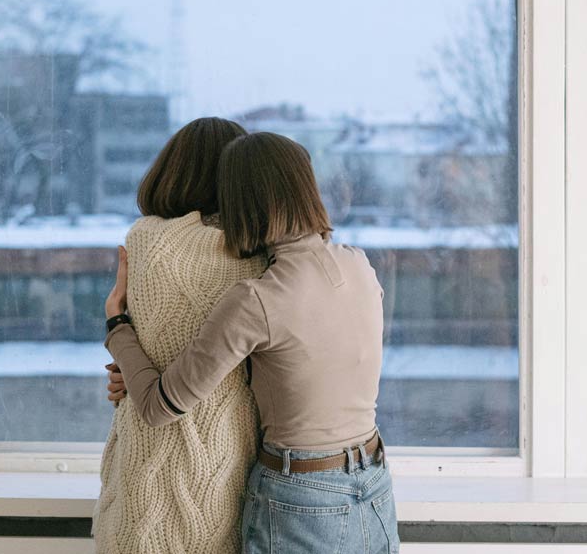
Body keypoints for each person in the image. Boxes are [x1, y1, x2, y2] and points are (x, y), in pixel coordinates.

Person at [104, 131, 399, 553]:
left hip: (300, 495)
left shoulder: (257, 299)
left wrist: (117, 327)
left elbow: (156, 407)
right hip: (373, 481)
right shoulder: (359, 266)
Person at [93, 117, 267, 554]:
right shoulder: (260, 255)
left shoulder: (147, 241)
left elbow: (146, 348)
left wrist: (116, 327)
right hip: (228, 463)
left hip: (145, 464)